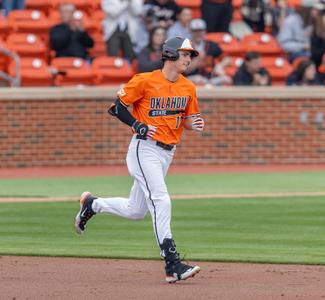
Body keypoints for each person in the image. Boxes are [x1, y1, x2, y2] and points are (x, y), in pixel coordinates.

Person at [74, 36, 205, 283]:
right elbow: (117, 107)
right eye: (185, 54)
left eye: (190, 55)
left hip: (167, 152)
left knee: (136, 211)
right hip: (144, 150)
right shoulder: (145, 80)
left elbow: (185, 120)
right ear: (170, 54)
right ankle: (172, 263)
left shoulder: (188, 87)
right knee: (161, 199)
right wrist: (137, 124)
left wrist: (193, 124)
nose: (189, 58)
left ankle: (92, 204)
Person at [185, 18, 232, 86]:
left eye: (200, 30)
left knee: (227, 80)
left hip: (210, 77)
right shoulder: (185, 46)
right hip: (192, 77)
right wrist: (197, 60)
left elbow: (227, 59)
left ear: (204, 31)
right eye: (195, 31)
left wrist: (220, 66)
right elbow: (184, 70)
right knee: (199, 80)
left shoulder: (211, 45)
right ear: (191, 32)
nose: (198, 33)